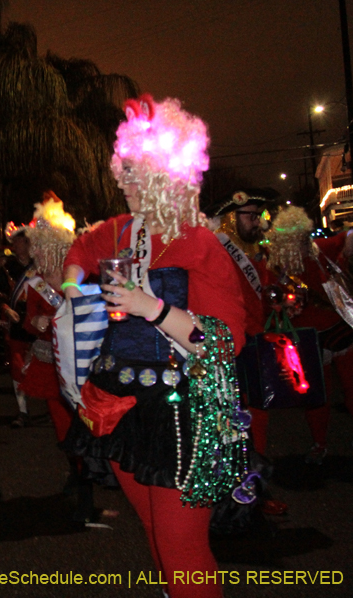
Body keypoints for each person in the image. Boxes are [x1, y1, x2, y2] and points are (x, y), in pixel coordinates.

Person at [62, 95, 246, 598]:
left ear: (163, 173)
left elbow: (224, 342)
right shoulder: (121, 231)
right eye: (121, 170)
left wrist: (153, 309)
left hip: (181, 413)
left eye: (132, 172)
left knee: (181, 545)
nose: (120, 181)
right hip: (120, 404)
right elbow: (82, 248)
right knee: (152, 531)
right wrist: (73, 286)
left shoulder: (200, 243)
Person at [207, 187, 288, 516]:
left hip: (256, 343)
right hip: (229, 348)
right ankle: (233, 496)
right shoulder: (215, 250)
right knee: (230, 424)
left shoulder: (256, 252)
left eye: (259, 216)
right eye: (251, 216)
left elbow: (263, 295)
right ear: (230, 217)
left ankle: (254, 490)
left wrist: (279, 301)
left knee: (257, 418)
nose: (258, 222)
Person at [261, 205, 353, 465]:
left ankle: (319, 444)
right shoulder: (274, 265)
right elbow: (268, 300)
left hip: (337, 328)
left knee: (348, 387)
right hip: (307, 337)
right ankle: (319, 443)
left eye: (301, 237)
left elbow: (346, 237)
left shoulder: (318, 250)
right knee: (317, 396)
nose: (299, 243)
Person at [0, 224, 37, 428]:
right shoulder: (8, 267)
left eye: (17, 241)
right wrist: (6, 309)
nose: (14, 245)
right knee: (16, 366)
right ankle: (23, 411)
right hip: (17, 324)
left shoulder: (39, 264)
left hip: (39, 322)